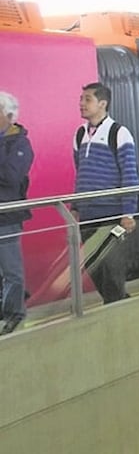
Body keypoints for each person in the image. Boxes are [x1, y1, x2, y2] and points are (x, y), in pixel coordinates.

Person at [72, 82, 139, 304]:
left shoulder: (119, 133)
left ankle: (118, 308)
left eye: (87, 99)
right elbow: (80, 172)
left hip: (111, 214)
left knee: (112, 268)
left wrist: (128, 212)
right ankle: (116, 303)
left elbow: (129, 174)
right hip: (87, 215)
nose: (81, 103)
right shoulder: (79, 134)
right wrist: (75, 208)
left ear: (103, 103)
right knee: (94, 267)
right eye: (82, 98)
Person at [0, 92, 33, 335]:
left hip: (7, 217)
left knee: (11, 270)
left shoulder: (20, 143)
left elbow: (10, 178)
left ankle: (15, 313)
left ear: (8, 116)